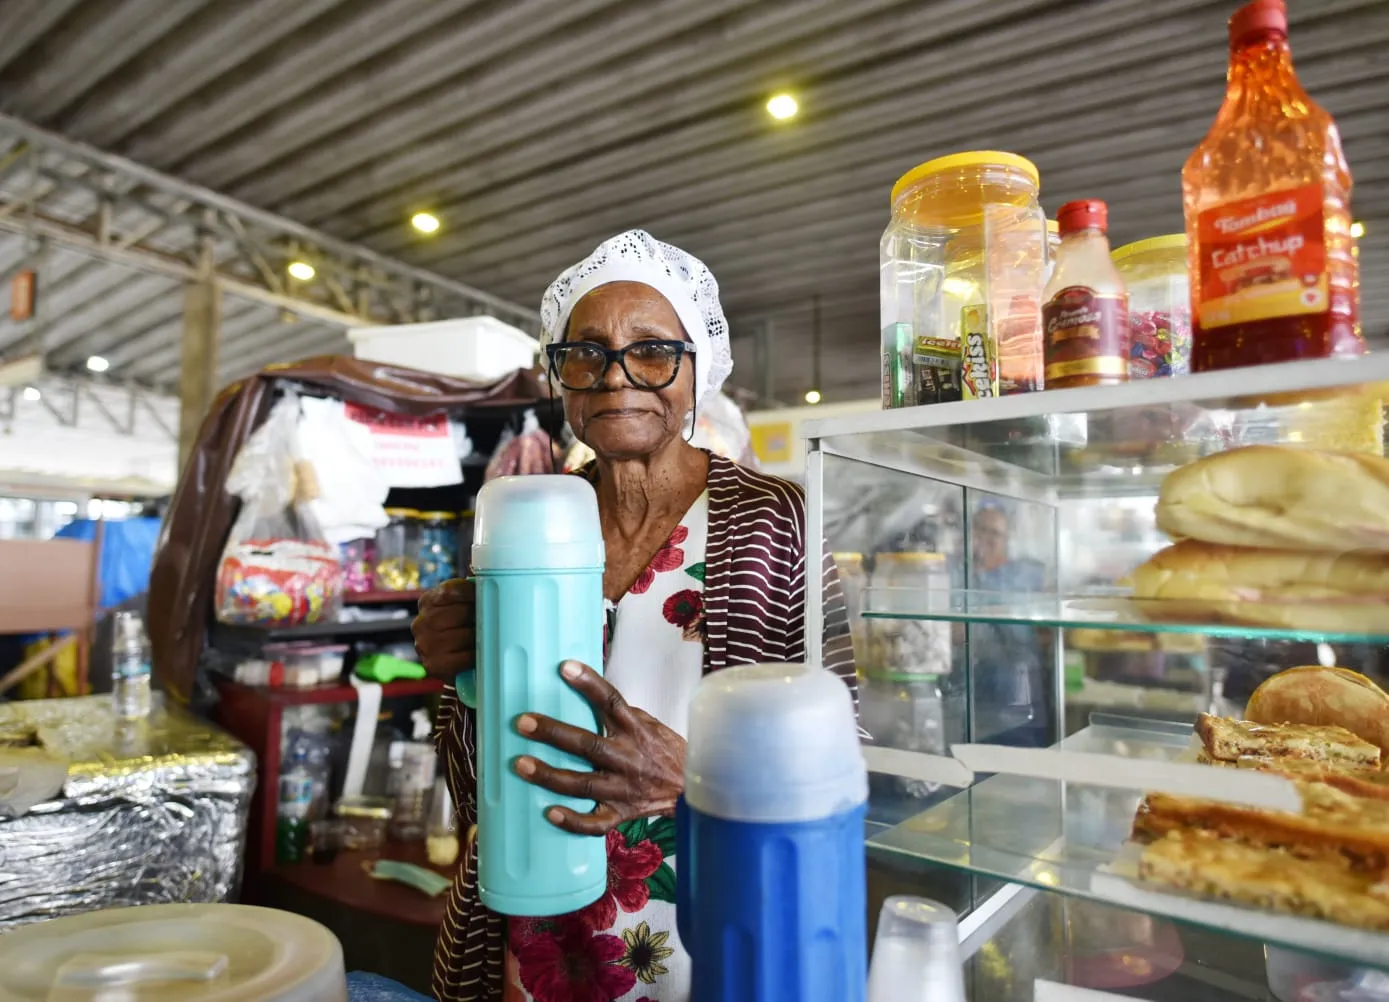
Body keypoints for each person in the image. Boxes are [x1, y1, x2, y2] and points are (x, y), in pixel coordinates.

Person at [412, 230, 858, 1002]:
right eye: (585, 353)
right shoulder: (523, 516)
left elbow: (843, 740)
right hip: (530, 920)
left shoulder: (771, 517)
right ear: (561, 379)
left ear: (697, 372)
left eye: (652, 350)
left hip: (699, 919)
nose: (618, 376)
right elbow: (479, 770)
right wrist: (454, 673)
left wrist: (692, 776)